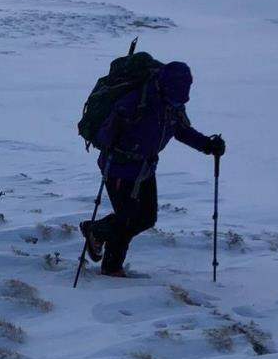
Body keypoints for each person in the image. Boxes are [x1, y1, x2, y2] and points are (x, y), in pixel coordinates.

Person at [80, 61, 225, 277]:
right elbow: (104, 137)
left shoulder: (173, 105)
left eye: (182, 98)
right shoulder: (135, 101)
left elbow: (181, 130)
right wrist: (117, 133)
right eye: (175, 97)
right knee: (128, 217)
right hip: (119, 168)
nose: (178, 102)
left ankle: (97, 231)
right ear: (163, 85)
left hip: (146, 167)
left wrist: (206, 145)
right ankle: (112, 268)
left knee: (146, 218)